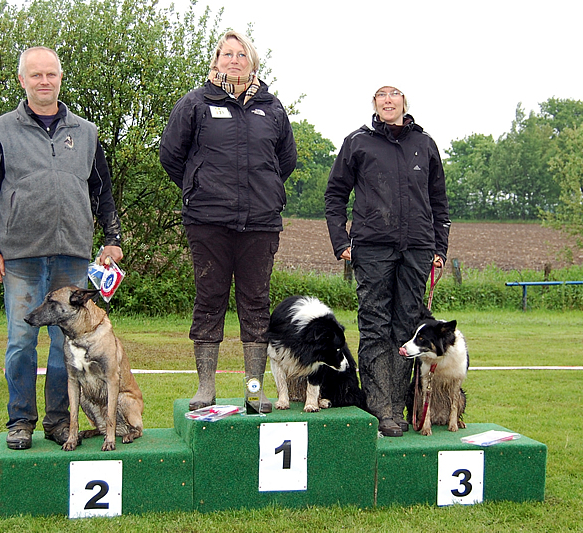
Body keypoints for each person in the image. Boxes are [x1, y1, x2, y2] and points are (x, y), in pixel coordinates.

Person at [0, 46, 123, 450]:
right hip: (21, 255)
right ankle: (20, 420)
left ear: (60, 78)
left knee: (68, 344)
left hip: (72, 253)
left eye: (51, 74)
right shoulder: (1, 129)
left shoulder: (87, 132)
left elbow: (102, 191)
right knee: (21, 341)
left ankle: (61, 421)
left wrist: (113, 238)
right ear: (22, 80)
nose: (45, 81)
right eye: (36, 75)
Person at [160, 30, 297, 413]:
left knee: (256, 305)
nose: (233, 60)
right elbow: (171, 156)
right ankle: (206, 388)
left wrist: (262, 190)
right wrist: (198, 187)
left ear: (252, 62)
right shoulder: (195, 103)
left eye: (241, 54)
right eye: (226, 54)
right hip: (208, 222)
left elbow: (284, 161)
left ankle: (255, 390)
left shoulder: (272, 108)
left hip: (260, 224)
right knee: (209, 300)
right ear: (215, 61)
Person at [324, 84, 450, 437]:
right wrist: (341, 241)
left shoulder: (424, 145)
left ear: (405, 102)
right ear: (374, 103)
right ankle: (380, 409)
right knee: (375, 326)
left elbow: (439, 202)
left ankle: (397, 406)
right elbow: (334, 195)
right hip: (372, 248)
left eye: (395, 93)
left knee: (406, 329)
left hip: (417, 249)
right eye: (382, 94)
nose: (389, 100)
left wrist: (439, 248)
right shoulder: (357, 142)